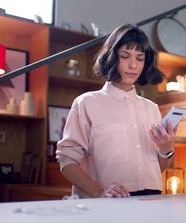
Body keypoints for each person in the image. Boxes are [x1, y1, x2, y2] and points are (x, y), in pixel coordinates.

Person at [56, 24, 176, 198]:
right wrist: (99, 192)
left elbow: (156, 170)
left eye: (140, 58)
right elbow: (67, 162)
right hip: (107, 205)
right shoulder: (87, 103)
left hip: (151, 201)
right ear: (112, 57)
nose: (133, 65)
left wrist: (166, 149)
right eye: (125, 56)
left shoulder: (151, 108)